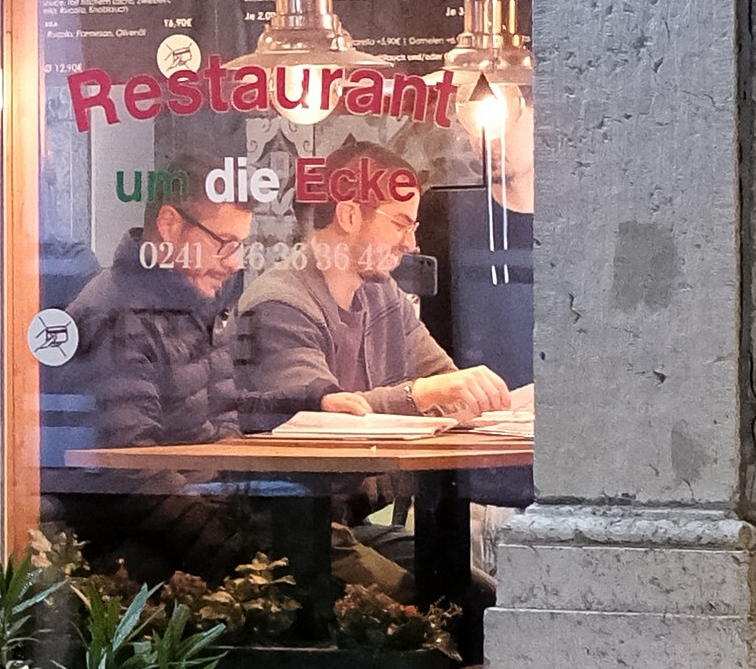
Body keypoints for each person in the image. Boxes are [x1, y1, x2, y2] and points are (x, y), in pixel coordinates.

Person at [229, 150, 512, 430]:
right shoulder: (278, 306)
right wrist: (420, 395)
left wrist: (464, 394)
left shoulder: (384, 293)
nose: (412, 244)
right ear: (349, 216)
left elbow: (445, 382)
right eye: (401, 224)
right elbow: (322, 420)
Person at [79, 182, 258, 450]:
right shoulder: (115, 318)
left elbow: (224, 419)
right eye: (225, 242)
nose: (235, 263)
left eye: (240, 246)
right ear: (169, 224)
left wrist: (311, 397)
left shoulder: (194, 301)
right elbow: (132, 461)